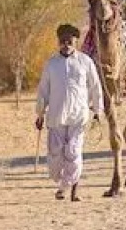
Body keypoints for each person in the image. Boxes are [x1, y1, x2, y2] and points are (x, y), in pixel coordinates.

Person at [34, 23, 103, 201]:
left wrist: (97, 110)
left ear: (76, 41)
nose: (66, 44)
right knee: (55, 155)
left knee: (73, 153)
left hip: (78, 116)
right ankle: (62, 182)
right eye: (63, 41)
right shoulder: (51, 64)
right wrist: (40, 114)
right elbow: (43, 90)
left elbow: (95, 87)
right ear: (59, 42)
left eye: (70, 41)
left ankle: (66, 189)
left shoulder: (85, 62)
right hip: (56, 116)